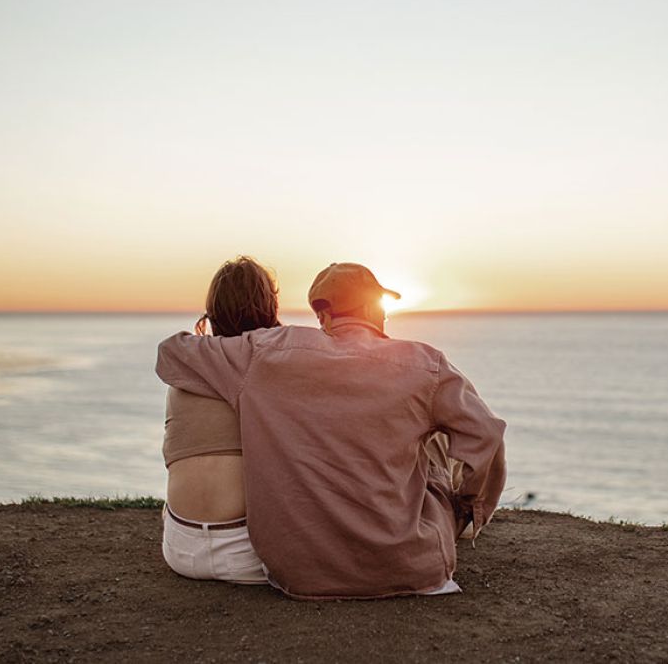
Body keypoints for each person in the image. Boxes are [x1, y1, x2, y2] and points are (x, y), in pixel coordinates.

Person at [155, 262, 507, 600]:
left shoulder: (268, 354)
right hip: (412, 564)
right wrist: (468, 508)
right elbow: (485, 435)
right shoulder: (425, 364)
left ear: (322, 315)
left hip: (297, 574)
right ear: (373, 307)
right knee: (432, 441)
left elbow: (172, 353)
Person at [160, 256, 281, 585]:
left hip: (179, 548)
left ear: (212, 313)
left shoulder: (184, 370)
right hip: (249, 555)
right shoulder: (274, 369)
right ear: (270, 307)